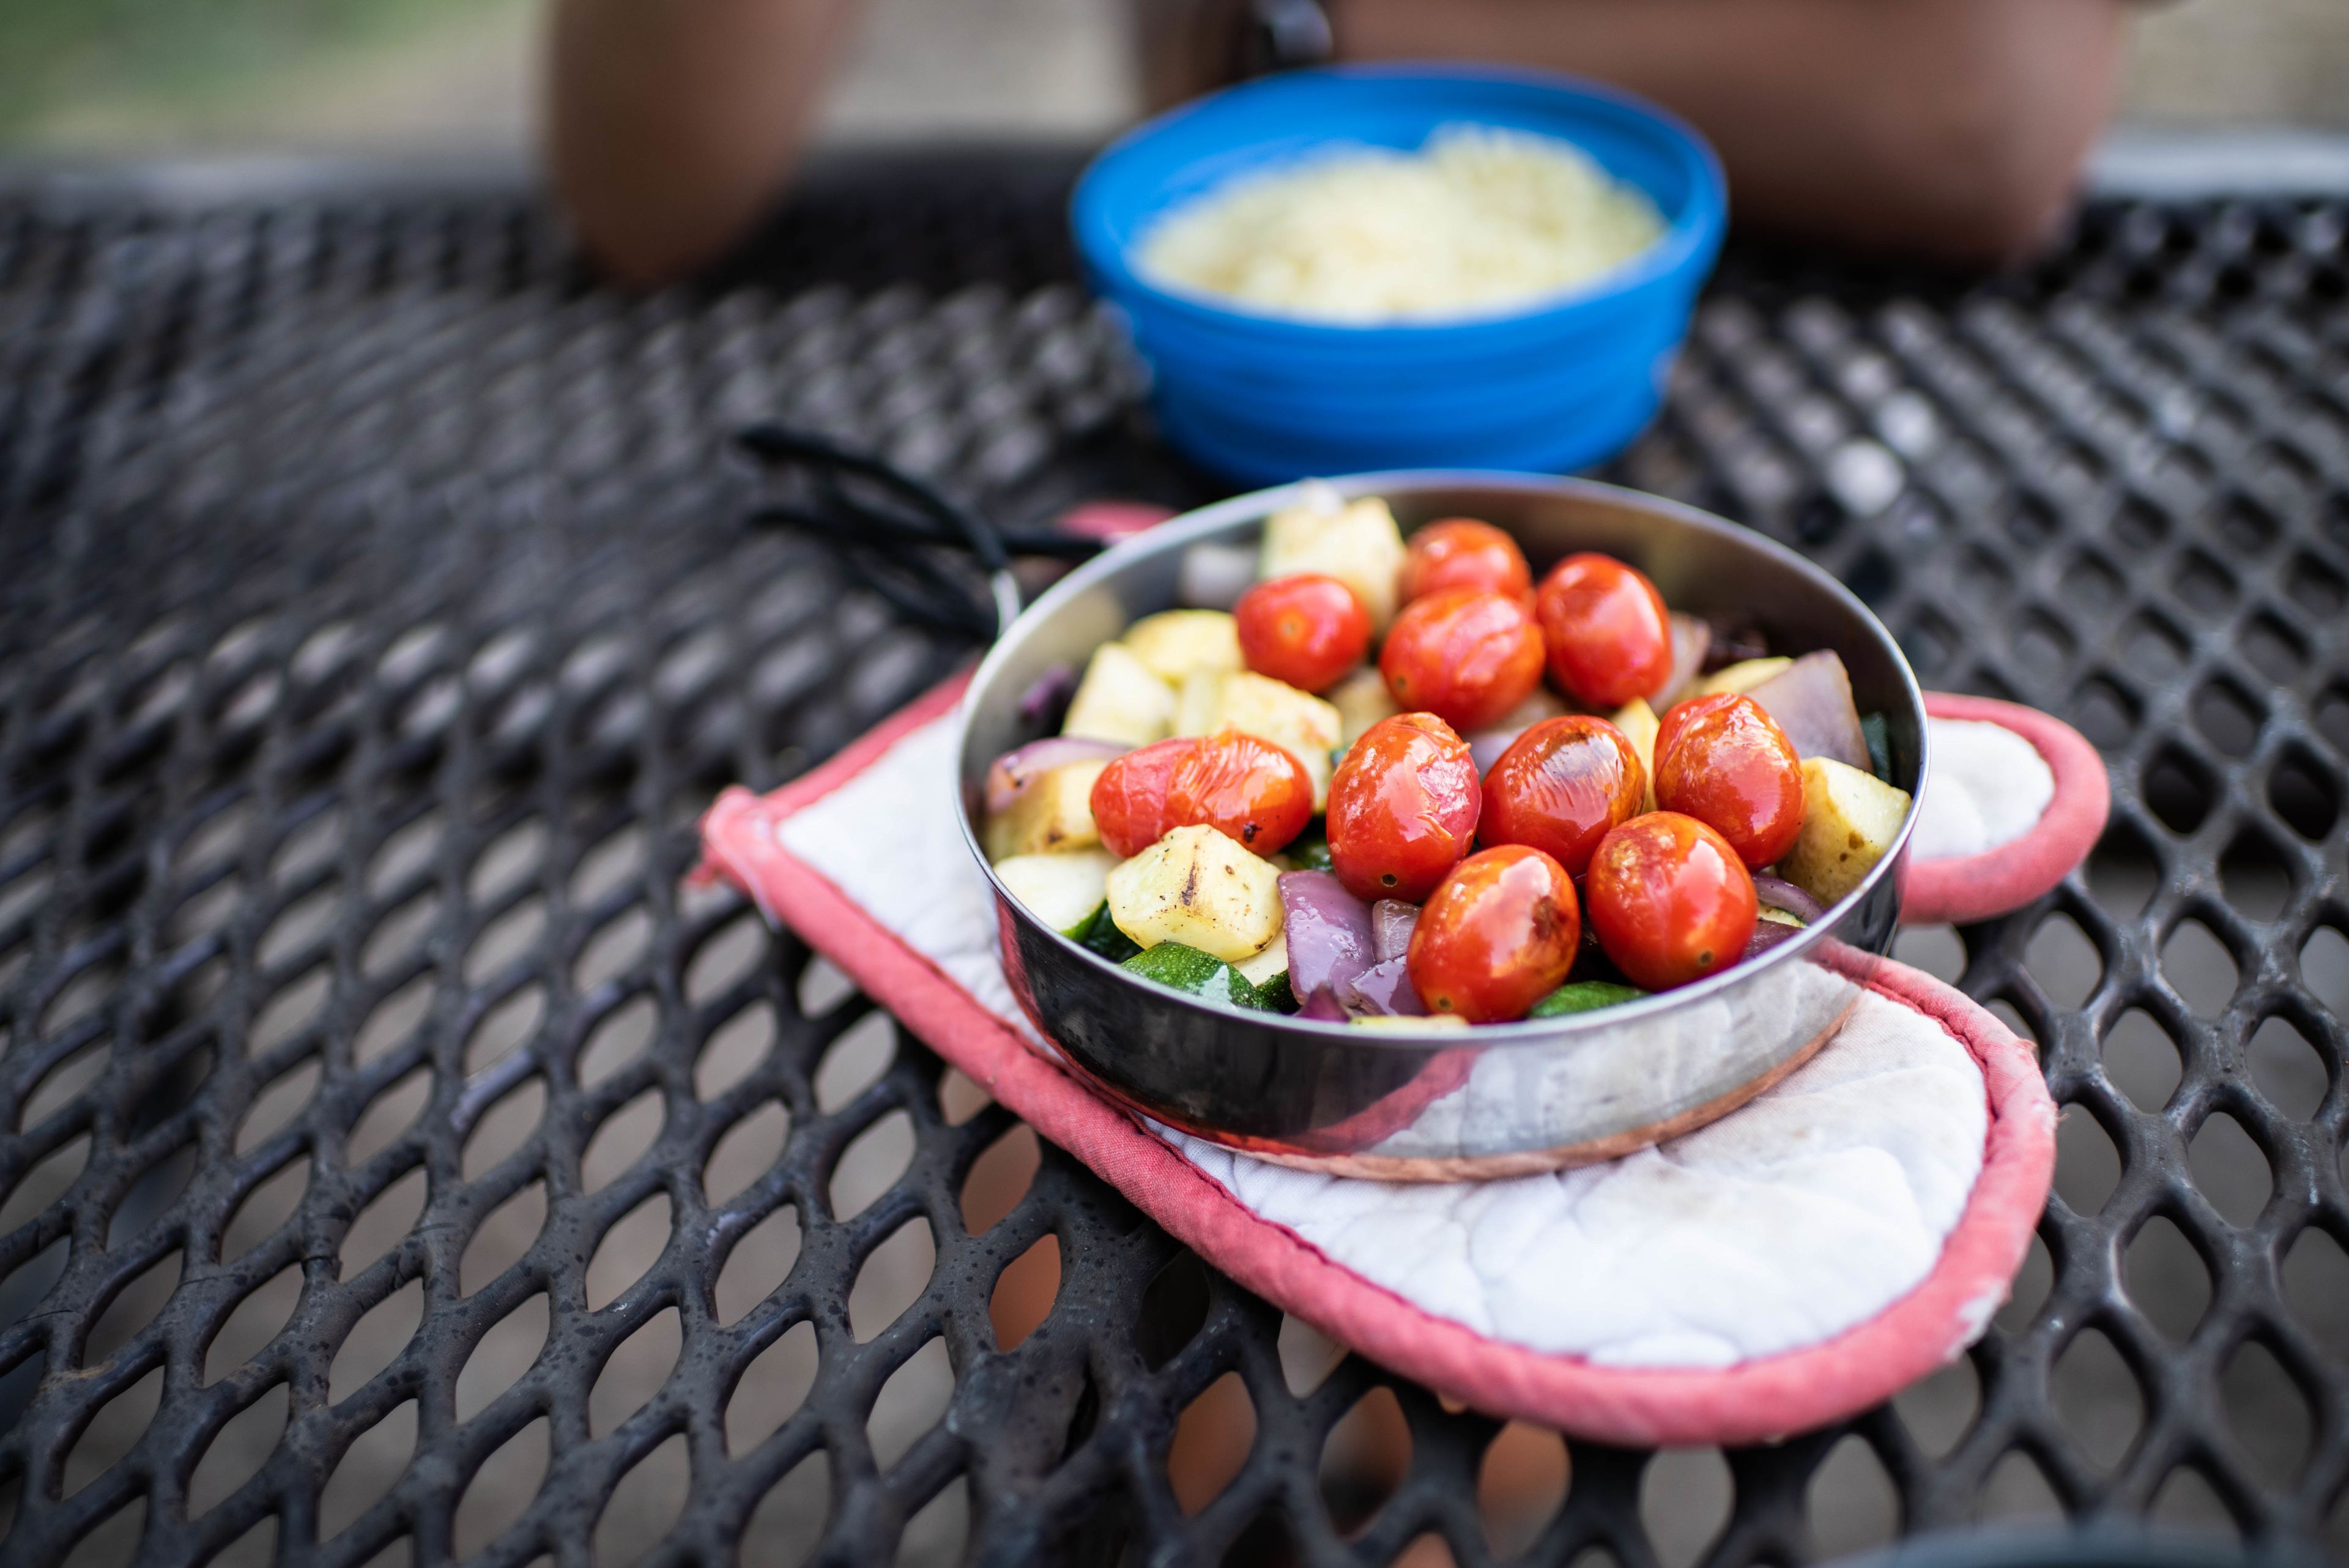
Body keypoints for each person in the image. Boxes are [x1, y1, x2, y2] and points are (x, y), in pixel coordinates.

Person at [549, 0, 2133, 286]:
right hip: (1225, 358)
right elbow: (648, 188)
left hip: (1833, 341)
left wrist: (1285, 33)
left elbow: (1982, 115)